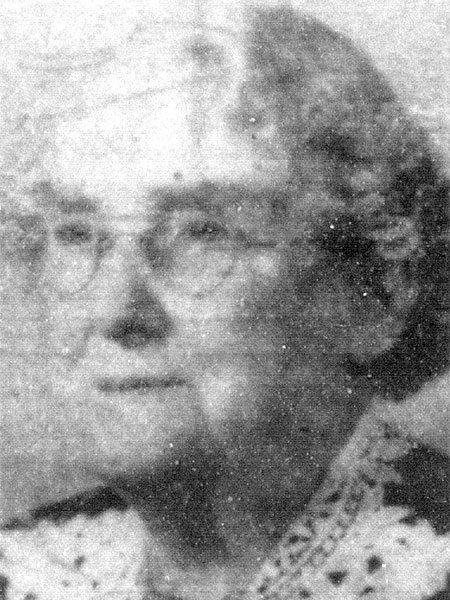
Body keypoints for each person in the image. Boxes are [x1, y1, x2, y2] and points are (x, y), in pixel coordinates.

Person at [0, 1, 449, 599]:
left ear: (375, 293)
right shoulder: (27, 571)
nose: (115, 309)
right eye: (77, 234)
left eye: (202, 232)